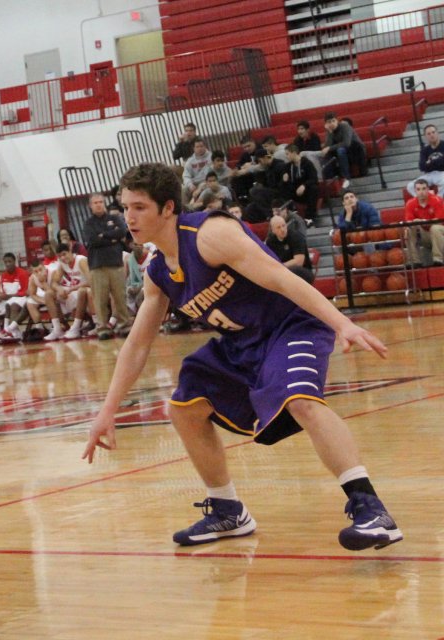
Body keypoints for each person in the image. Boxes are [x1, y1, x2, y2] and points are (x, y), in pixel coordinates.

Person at [83, 162, 402, 554]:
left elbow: (282, 278)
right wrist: (107, 410)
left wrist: (341, 325)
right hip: (241, 344)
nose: (128, 217)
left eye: (139, 208)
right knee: (184, 406)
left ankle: (370, 508)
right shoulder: (157, 272)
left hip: (289, 326)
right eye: (125, 207)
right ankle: (227, 509)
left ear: (168, 208)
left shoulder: (210, 235)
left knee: (301, 400)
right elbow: (137, 345)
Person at [82, 192, 132, 340]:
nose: (99, 205)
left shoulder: (115, 218)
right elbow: (92, 240)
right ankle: (103, 328)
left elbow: (122, 231)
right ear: (90, 206)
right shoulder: (88, 223)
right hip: (97, 265)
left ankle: (125, 325)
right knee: (100, 299)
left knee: (120, 297)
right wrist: (112, 238)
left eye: (101, 202)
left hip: (115, 263)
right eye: (95, 202)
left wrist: (103, 236)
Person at [404, 179, 444, 266]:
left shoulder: (437, 200)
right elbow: (409, 222)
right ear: (415, 191)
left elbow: (440, 221)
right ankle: (415, 261)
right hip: (424, 234)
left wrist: (422, 222)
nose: (421, 192)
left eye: (423, 189)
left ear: (428, 189)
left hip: (439, 233)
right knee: (409, 229)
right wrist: (416, 222)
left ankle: (438, 259)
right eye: (418, 189)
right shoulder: (410, 204)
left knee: (435, 228)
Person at [322, 112, 367, 189]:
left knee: (340, 150)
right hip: (344, 153)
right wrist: (329, 132)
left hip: (356, 150)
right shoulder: (330, 131)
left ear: (337, 121)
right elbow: (327, 147)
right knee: (327, 154)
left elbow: (346, 143)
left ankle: (346, 178)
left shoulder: (345, 126)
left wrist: (329, 148)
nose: (332, 123)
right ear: (326, 124)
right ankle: (330, 180)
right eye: (329, 122)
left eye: (333, 121)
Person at [266, 214, 314, 283]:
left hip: (303, 271)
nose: (282, 229)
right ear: (273, 230)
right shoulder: (270, 242)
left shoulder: (296, 237)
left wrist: (281, 266)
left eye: (283, 225)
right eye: (278, 227)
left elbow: (299, 262)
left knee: (292, 272)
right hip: (283, 272)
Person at [281, 144, 319, 223]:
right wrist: (285, 179)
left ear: (294, 153)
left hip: (306, 191)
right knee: (282, 188)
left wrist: (304, 185)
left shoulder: (307, 163)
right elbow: (285, 181)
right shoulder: (287, 167)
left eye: (287, 154)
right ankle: (291, 211)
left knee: (314, 188)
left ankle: (309, 217)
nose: (286, 156)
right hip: (294, 191)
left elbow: (314, 178)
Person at [406, 123, 444, 197]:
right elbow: (422, 166)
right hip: (429, 175)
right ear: (426, 136)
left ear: (437, 133)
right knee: (410, 186)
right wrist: (439, 161)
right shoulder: (424, 150)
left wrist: (430, 162)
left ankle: (438, 202)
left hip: (442, 173)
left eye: (433, 132)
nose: (431, 135)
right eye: (428, 134)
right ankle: (426, 201)